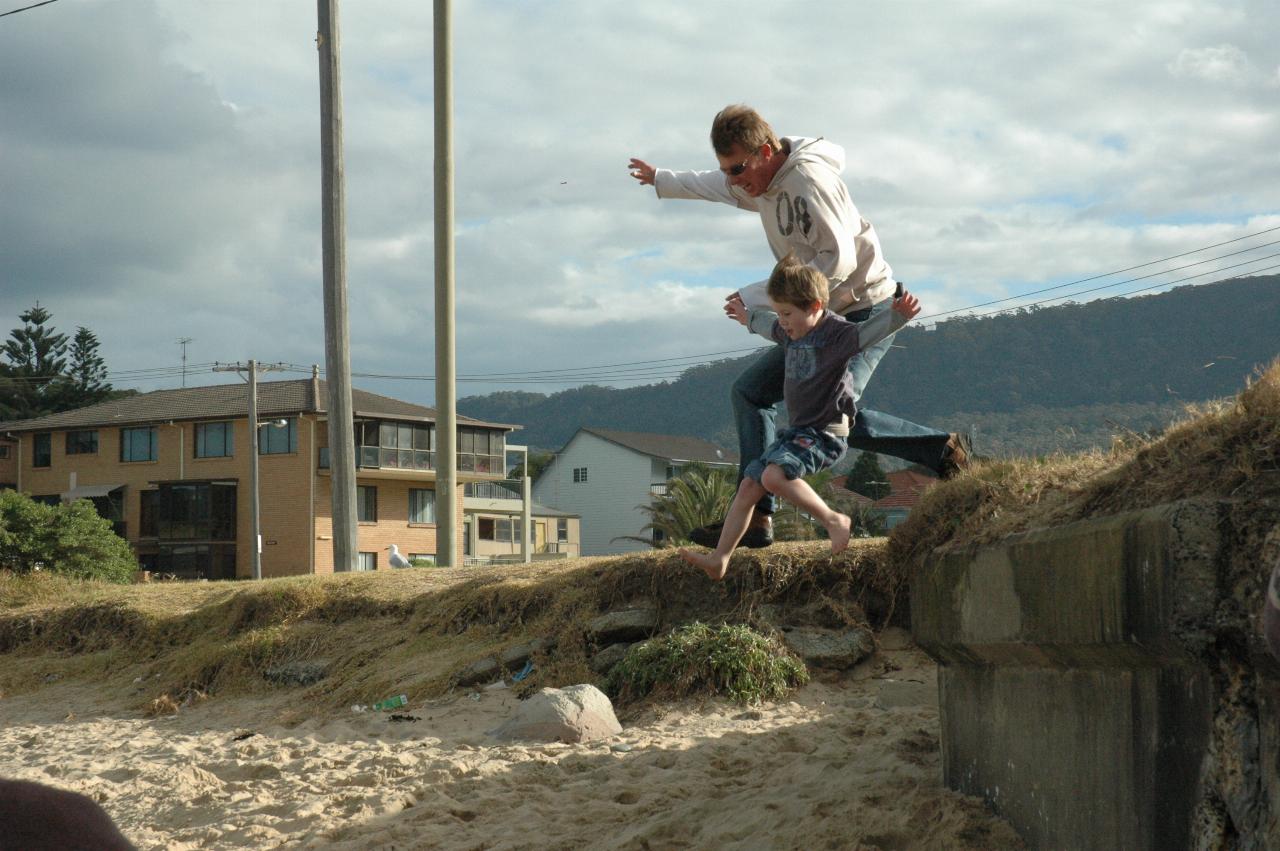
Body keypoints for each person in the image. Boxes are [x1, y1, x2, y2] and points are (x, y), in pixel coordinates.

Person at [630, 105, 970, 550]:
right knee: (753, 393)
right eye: (727, 169)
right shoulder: (761, 180)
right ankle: (757, 517)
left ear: (766, 151)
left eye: (738, 168)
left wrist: (764, 297)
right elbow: (716, 186)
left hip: (864, 305)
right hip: (815, 313)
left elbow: (839, 259)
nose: (734, 180)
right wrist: (663, 179)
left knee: (828, 413)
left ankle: (942, 452)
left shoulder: (809, 181)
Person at [680, 255, 919, 581]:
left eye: (789, 314)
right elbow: (768, 326)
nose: (784, 322)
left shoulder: (837, 334)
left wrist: (897, 317)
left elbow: (866, 335)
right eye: (780, 313)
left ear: (816, 306)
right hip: (798, 433)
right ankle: (720, 558)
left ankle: (835, 521)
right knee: (750, 485)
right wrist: (746, 317)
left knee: (773, 478)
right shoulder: (790, 330)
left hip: (825, 434)